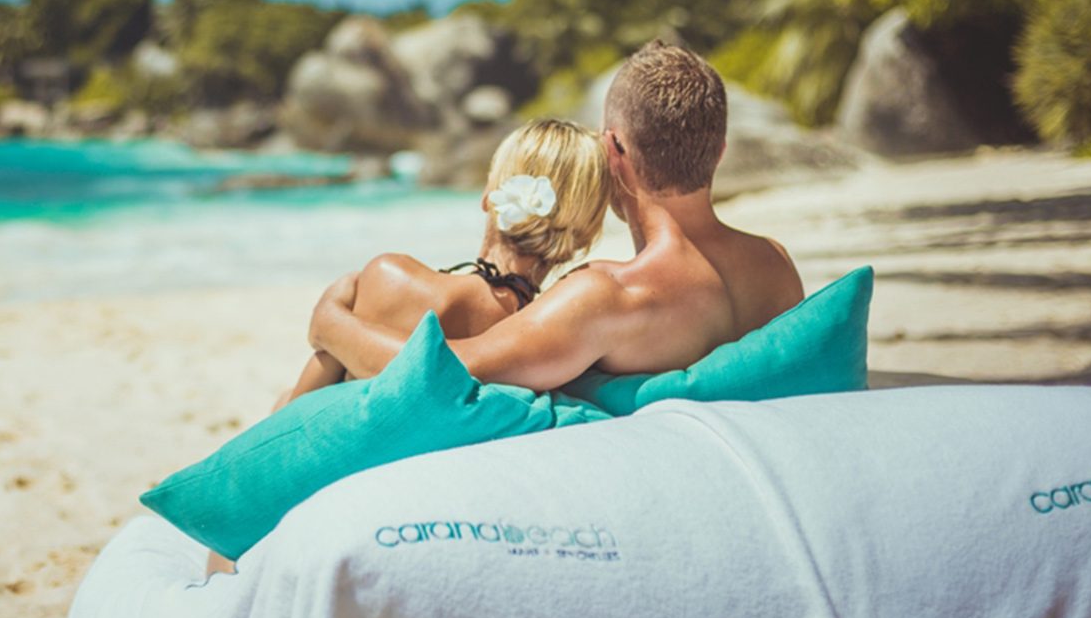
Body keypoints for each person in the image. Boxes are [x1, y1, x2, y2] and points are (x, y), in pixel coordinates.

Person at [307, 39, 804, 392]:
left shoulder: (609, 297)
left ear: (613, 151)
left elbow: (443, 371)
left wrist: (332, 323)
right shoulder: (775, 267)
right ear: (719, 152)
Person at [281, 117, 612, 404]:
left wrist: (329, 323)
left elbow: (296, 413)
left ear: (489, 196)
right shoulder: (548, 336)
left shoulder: (391, 276)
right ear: (584, 236)